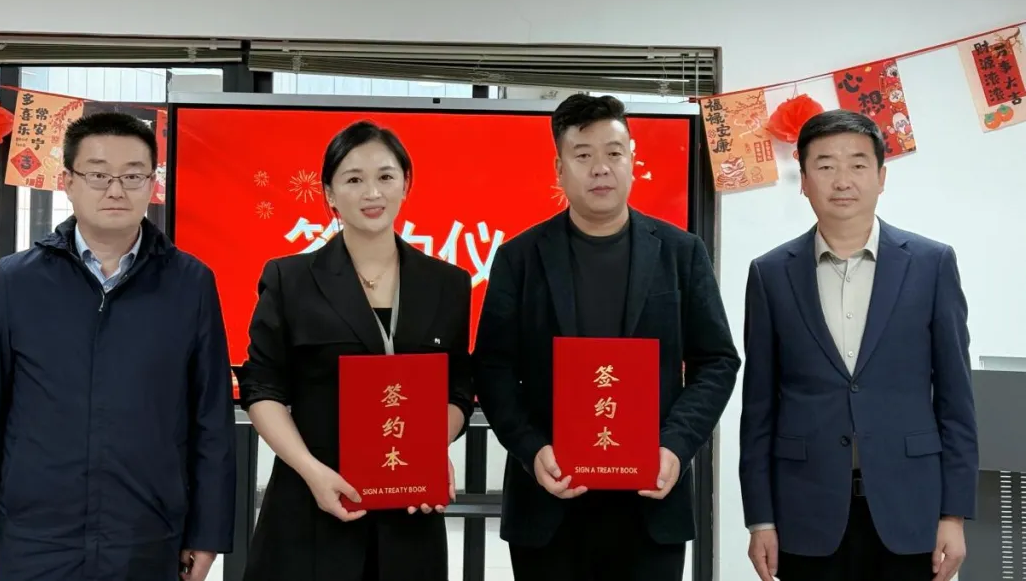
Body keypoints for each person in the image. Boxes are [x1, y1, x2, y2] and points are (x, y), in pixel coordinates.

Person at [0, 111, 236, 581]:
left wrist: (207, 534)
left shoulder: (190, 283)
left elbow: (211, 420)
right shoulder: (16, 282)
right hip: (34, 537)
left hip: (149, 535)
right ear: (68, 181)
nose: (116, 190)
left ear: (152, 184)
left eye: (133, 175)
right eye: (99, 174)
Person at [472, 94, 740, 581]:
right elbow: (492, 367)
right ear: (560, 169)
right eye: (583, 155)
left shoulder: (681, 252)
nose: (600, 168)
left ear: (632, 161)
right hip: (549, 502)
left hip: (650, 501)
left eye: (614, 153)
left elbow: (717, 361)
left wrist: (676, 446)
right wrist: (532, 450)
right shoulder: (519, 258)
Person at [739, 108, 977, 581]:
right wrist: (760, 519)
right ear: (804, 181)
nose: (842, 180)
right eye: (825, 165)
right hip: (805, 509)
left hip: (911, 507)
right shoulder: (770, 273)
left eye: (857, 164)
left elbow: (956, 400)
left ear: (881, 177)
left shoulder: (931, 264)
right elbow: (759, 406)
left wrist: (953, 514)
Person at [235, 120, 475, 581]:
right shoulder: (290, 279)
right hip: (311, 504)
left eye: (385, 176)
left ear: (406, 183)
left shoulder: (447, 284)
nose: (372, 192)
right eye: (353, 179)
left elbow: (458, 388)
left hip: (409, 511)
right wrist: (311, 471)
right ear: (329, 192)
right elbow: (262, 388)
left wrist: (428, 449)